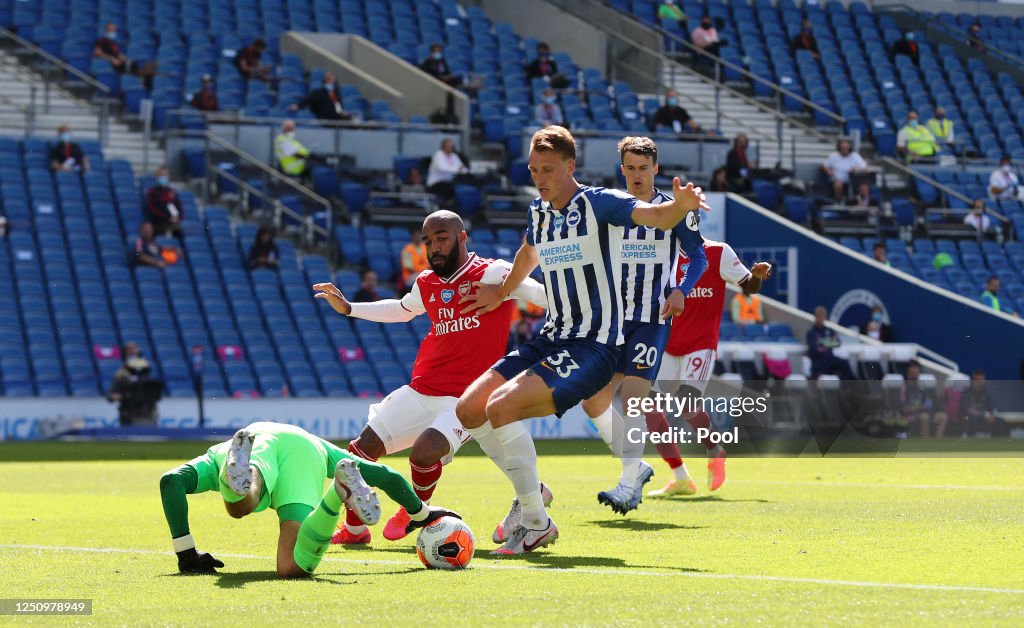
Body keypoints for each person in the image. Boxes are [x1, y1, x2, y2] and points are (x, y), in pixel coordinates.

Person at [455, 125, 706, 554]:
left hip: (595, 343)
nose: (540, 177)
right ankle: (533, 494)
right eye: (534, 170)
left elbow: (655, 216)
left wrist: (678, 209)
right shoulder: (538, 211)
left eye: (548, 169)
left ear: (571, 166)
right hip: (553, 335)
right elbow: (528, 254)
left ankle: (536, 519)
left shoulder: (599, 203)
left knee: (502, 407)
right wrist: (501, 292)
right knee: (469, 408)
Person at [312, 210, 547, 545]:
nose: (434, 248)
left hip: (467, 399)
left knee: (424, 453)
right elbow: (402, 310)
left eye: (442, 238)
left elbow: (541, 295)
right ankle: (354, 530)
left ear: (462, 237)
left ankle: (414, 511)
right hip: (422, 388)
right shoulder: (426, 282)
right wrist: (351, 308)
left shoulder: (494, 273)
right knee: (361, 450)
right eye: (428, 241)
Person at [578, 136, 709, 515]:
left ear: (656, 169)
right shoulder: (610, 208)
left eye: (643, 168)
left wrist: (682, 289)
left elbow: (697, 254)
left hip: (651, 318)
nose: (637, 175)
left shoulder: (674, 210)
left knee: (633, 396)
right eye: (630, 168)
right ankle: (636, 468)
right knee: (593, 402)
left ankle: (625, 483)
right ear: (622, 169)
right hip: (612, 319)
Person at [159, 423, 458, 576]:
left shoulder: (219, 451)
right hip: (306, 453)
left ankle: (237, 475)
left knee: (239, 506)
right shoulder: (320, 445)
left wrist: (186, 555)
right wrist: (421, 514)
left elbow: (170, 481)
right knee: (290, 567)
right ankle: (336, 494)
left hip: (248, 439)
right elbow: (386, 475)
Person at [645, 241, 772, 497]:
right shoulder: (660, 251)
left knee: (687, 402)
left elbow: (749, 286)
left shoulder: (718, 252)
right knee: (649, 409)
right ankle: (680, 477)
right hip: (667, 344)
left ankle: (715, 450)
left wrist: (756, 276)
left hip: (700, 344)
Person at [93, 23, 157, 86]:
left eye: (114, 30)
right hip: (112, 64)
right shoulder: (101, 41)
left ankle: (145, 76)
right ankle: (144, 75)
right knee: (135, 68)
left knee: (133, 64)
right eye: (111, 30)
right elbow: (98, 53)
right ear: (106, 31)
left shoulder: (113, 42)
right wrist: (111, 59)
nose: (113, 32)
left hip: (120, 63)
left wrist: (127, 60)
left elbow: (118, 53)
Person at [106, 354, 162, 426]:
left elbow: (157, 397)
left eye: (142, 370)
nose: (138, 373)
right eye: (134, 369)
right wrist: (122, 395)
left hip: (149, 415)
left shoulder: (152, 383)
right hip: (128, 414)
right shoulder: (121, 380)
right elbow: (110, 397)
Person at [806, 306, 855, 379]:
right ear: (815, 317)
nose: (821, 317)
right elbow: (814, 347)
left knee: (844, 363)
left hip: (830, 360)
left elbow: (837, 343)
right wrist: (828, 342)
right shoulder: (811, 333)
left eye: (822, 315)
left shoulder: (829, 331)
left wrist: (822, 342)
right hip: (819, 362)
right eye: (819, 315)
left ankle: (852, 387)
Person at [899, 361, 946, 437]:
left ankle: (938, 442)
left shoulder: (923, 388)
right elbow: (904, 409)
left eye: (916, 373)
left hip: (926, 413)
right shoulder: (904, 388)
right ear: (908, 375)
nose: (915, 376)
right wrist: (920, 407)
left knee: (942, 416)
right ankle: (925, 441)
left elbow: (935, 405)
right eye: (912, 373)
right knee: (925, 416)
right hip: (910, 415)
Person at [289, 72, 354, 121]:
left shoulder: (335, 94)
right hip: (325, 118)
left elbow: (338, 106)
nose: (332, 84)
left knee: (351, 119)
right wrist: (298, 106)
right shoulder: (319, 93)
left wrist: (342, 112)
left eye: (333, 82)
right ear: (325, 81)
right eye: (330, 81)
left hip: (337, 118)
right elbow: (307, 100)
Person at [961, 370, 1007, 436]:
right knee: (972, 418)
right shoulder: (967, 393)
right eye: (977, 380)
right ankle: (971, 440)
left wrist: (991, 416)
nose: (980, 382)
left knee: (1000, 421)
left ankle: (997, 443)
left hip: (984, 417)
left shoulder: (986, 393)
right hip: (970, 417)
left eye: (982, 379)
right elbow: (967, 409)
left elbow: (990, 408)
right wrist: (983, 414)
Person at [144, 166, 184, 238]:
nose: (164, 178)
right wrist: (167, 218)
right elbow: (152, 208)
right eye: (162, 175)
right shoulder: (152, 192)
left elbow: (179, 207)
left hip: (173, 223)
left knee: (181, 234)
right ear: (157, 177)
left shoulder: (172, 192)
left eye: (166, 175)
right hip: (159, 223)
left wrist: (179, 218)